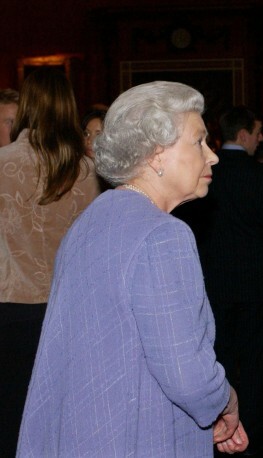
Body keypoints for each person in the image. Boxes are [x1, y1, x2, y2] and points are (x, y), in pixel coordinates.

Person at [17, 81, 248, 456]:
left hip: (84, 432)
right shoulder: (163, 235)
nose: (213, 156)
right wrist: (225, 399)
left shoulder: (91, 220)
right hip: (138, 435)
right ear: (158, 153)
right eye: (199, 141)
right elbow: (186, 373)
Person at [0, 68, 100, 456]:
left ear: (26, 105)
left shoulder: (3, 163)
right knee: (62, 421)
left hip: (9, 311)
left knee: (9, 419)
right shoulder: (89, 172)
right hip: (68, 313)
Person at [200, 106, 263, 455]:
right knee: (252, 363)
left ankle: (214, 429)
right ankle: (246, 431)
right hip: (253, 285)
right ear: (244, 134)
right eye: (257, 131)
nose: (261, 137)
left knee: (216, 358)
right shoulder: (262, 175)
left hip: (213, 284)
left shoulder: (206, 170)